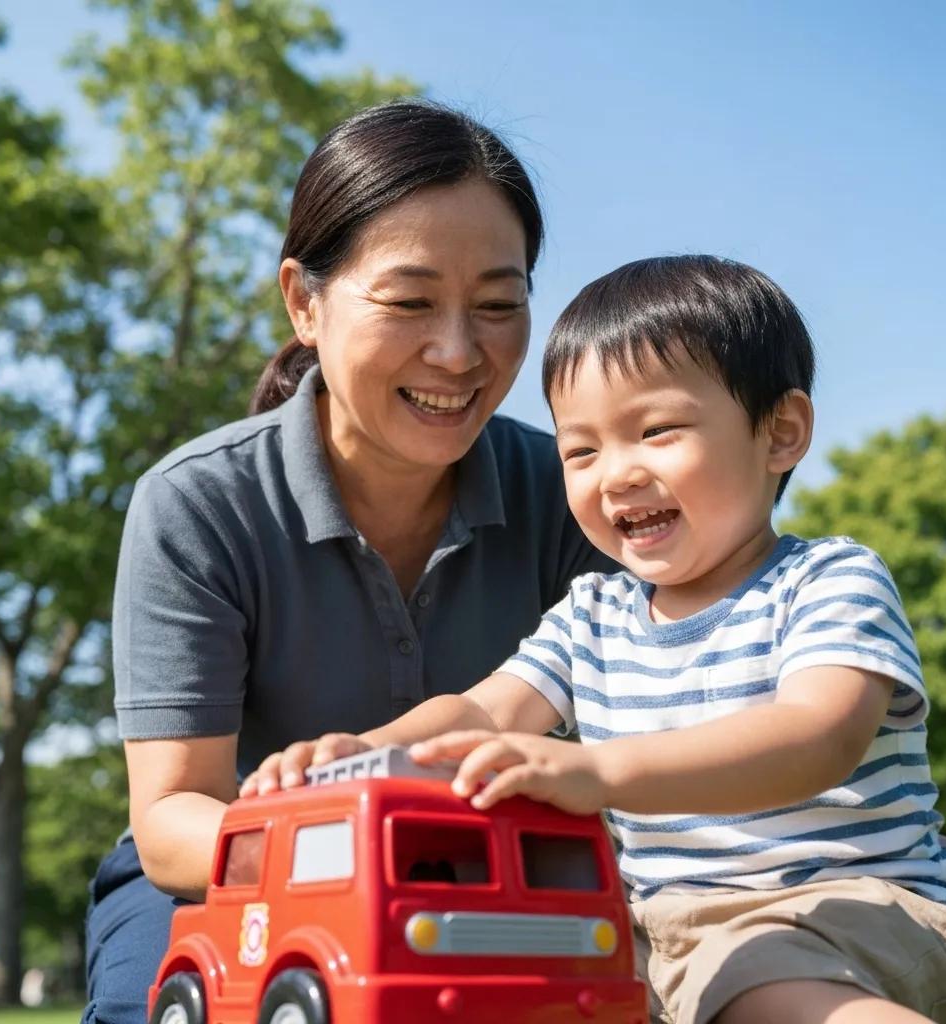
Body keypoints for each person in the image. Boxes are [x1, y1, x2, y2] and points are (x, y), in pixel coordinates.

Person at [248, 256, 946, 1024]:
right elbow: (482, 716)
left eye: (657, 431)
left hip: (849, 908)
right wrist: (356, 757)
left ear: (781, 432)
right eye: (583, 450)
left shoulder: (828, 579)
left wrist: (599, 770)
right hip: (656, 931)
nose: (616, 475)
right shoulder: (593, 614)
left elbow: (816, 736)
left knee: (768, 993)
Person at [82, 101, 615, 1024]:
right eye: (410, 302)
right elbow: (174, 818)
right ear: (304, 300)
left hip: (489, 873)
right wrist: (353, 849)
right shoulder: (198, 503)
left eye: (499, 304)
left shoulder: (574, 493)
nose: (458, 352)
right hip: (223, 877)